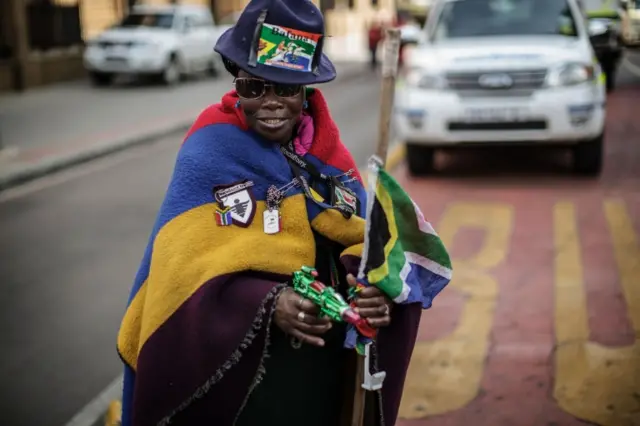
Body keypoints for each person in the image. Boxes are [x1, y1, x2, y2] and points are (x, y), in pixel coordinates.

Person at [116, 1, 422, 425]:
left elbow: (368, 248)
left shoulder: (328, 156)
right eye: (254, 87)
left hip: (322, 378)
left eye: (287, 89)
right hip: (246, 388)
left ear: (306, 92)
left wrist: (374, 294)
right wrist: (269, 303)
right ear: (236, 83)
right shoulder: (209, 149)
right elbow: (183, 277)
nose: (272, 102)